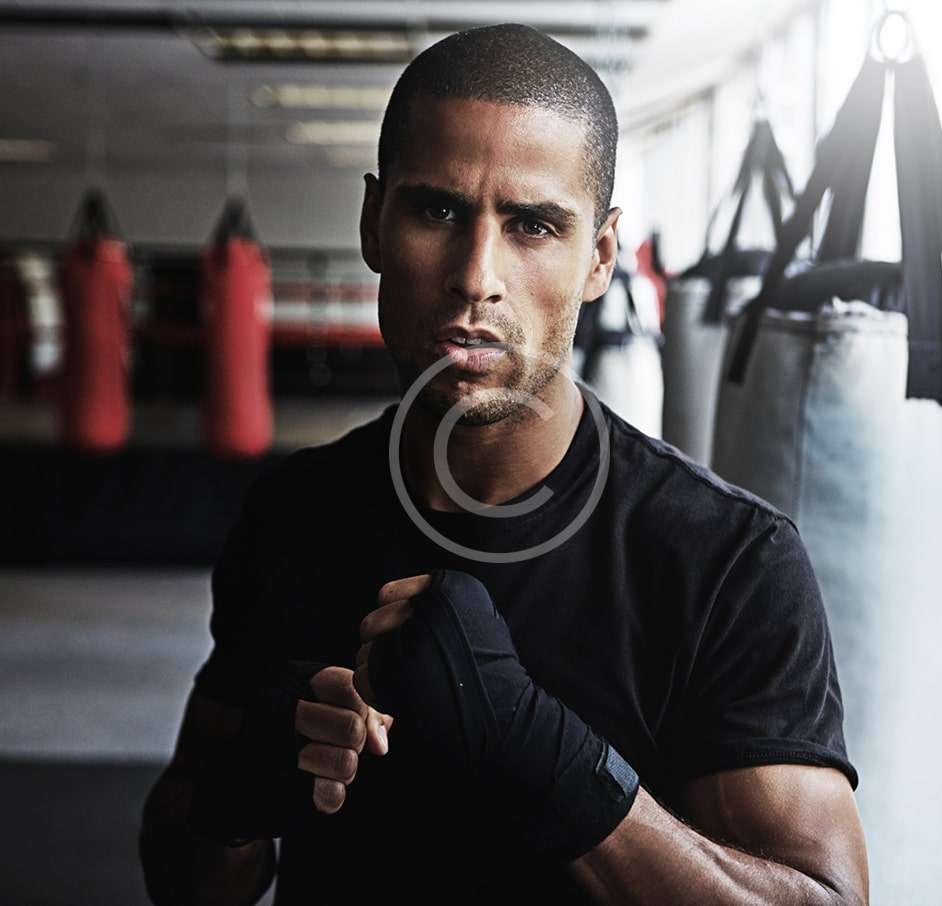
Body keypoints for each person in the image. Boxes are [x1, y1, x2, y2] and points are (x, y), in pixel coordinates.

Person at [139, 23, 868, 905]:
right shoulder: (293, 512)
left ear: (600, 257)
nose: (476, 275)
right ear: (374, 224)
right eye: (437, 211)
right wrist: (237, 794)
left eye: (533, 225)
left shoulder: (725, 560)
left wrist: (547, 756)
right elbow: (184, 883)